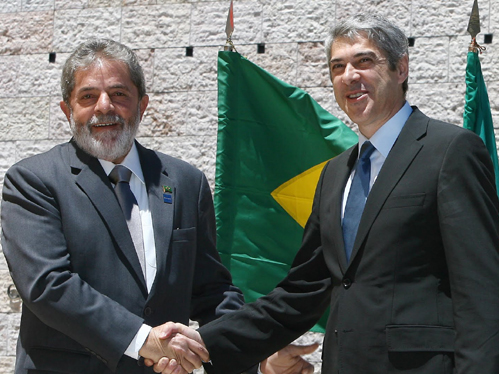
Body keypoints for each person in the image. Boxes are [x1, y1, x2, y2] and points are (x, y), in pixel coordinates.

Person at [157, 14, 499, 374]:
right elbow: (301, 291)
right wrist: (202, 343)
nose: (349, 76)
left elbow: (481, 290)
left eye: (364, 61)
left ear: (401, 69)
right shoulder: (335, 174)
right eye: (338, 67)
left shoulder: (451, 151)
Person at [1, 39, 316, 374]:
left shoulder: (185, 182)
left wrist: (256, 352)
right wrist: (142, 340)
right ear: (67, 110)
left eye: (120, 94)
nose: (104, 107)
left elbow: (211, 290)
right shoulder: (33, 180)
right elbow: (48, 285)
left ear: (142, 105)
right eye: (88, 96)